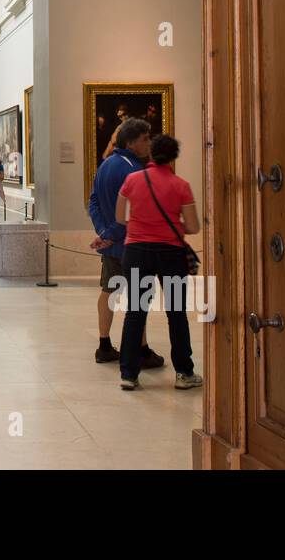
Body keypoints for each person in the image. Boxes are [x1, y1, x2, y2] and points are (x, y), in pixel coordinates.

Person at [115, 134, 203, 391]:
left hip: (136, 251)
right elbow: (194, 226)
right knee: (176, 313)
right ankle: (184, 373)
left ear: (150, 154)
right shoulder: (181, 185)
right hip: (170, 253)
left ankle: (129, 374)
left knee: (136, 311)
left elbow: (120, 217)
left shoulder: (132, 180)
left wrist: (141, 228)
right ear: (174, 157)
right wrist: (171, 226)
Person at [88, 117, 163, 367]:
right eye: (145, 139)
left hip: (112, 245)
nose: (148, 143)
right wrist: (108, 235)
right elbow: (133, 213)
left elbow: (94, 201)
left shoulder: (106, 164)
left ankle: (104, 344)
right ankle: (141, 350)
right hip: (132, 244)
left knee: (108, 291)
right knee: (138, 298)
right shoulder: (134, 170)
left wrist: (102, 232)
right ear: (131, 142)